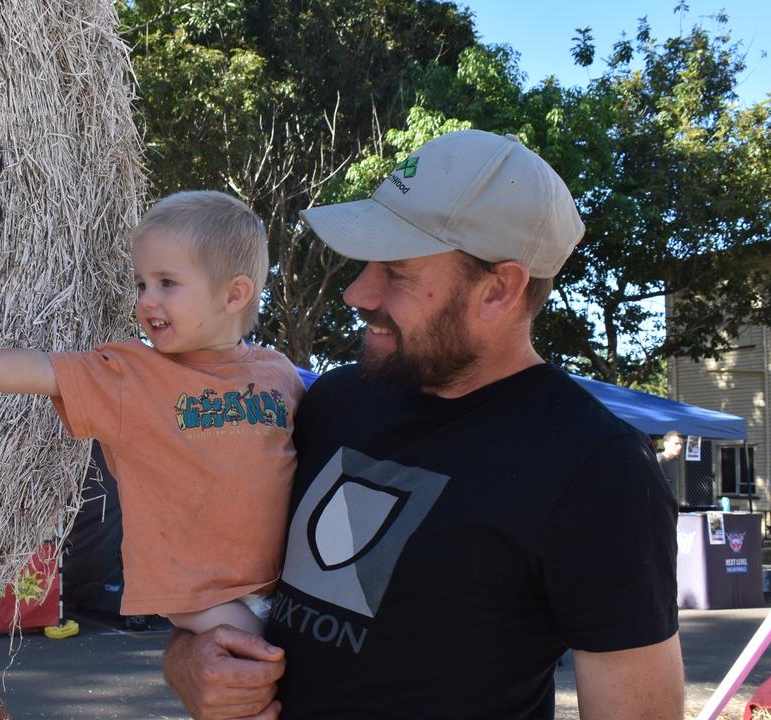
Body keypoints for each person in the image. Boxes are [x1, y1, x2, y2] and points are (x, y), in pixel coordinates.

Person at [163, 130, 684, 719]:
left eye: (398, 271)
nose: (358, 292)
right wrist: (190, 659)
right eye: (367, 263)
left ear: (499, 289)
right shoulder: (334, 401)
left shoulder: (597, 468)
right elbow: (229, 588)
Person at [0, 191, 305, 636]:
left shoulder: (279, 374)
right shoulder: (129, 374)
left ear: (234, 295)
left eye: (167, 283)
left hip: (290, 584)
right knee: (263, 675)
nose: (147, 299)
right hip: (208, 597)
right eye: (141, 284)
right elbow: (39, 368)